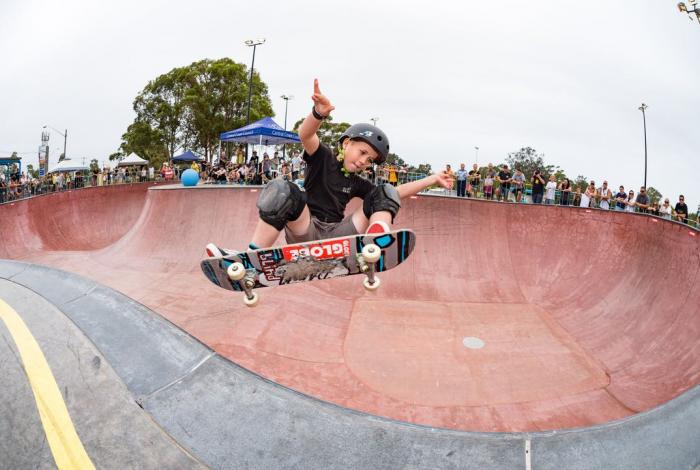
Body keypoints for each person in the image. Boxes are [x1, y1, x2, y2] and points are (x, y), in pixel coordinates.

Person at [206, 79, 453, 256]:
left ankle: (377, 239)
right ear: (347, 143)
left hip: (339, 235)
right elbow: (305, 135)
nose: (363, 161)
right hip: (306, 228)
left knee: (384, 191)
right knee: (283, 189)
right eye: (362, 152)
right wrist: (317, 114)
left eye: (369, 160)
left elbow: (395, 194)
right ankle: (251, 256)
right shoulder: (322, 157)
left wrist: (431, 179)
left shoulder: (358, 183)